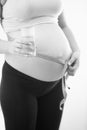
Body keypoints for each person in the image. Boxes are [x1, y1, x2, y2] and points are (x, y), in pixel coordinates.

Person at [0, 0, 80, 130]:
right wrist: (9, 46)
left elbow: (63, 25)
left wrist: (76, 51)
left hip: (57, 84)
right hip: (20, 83)